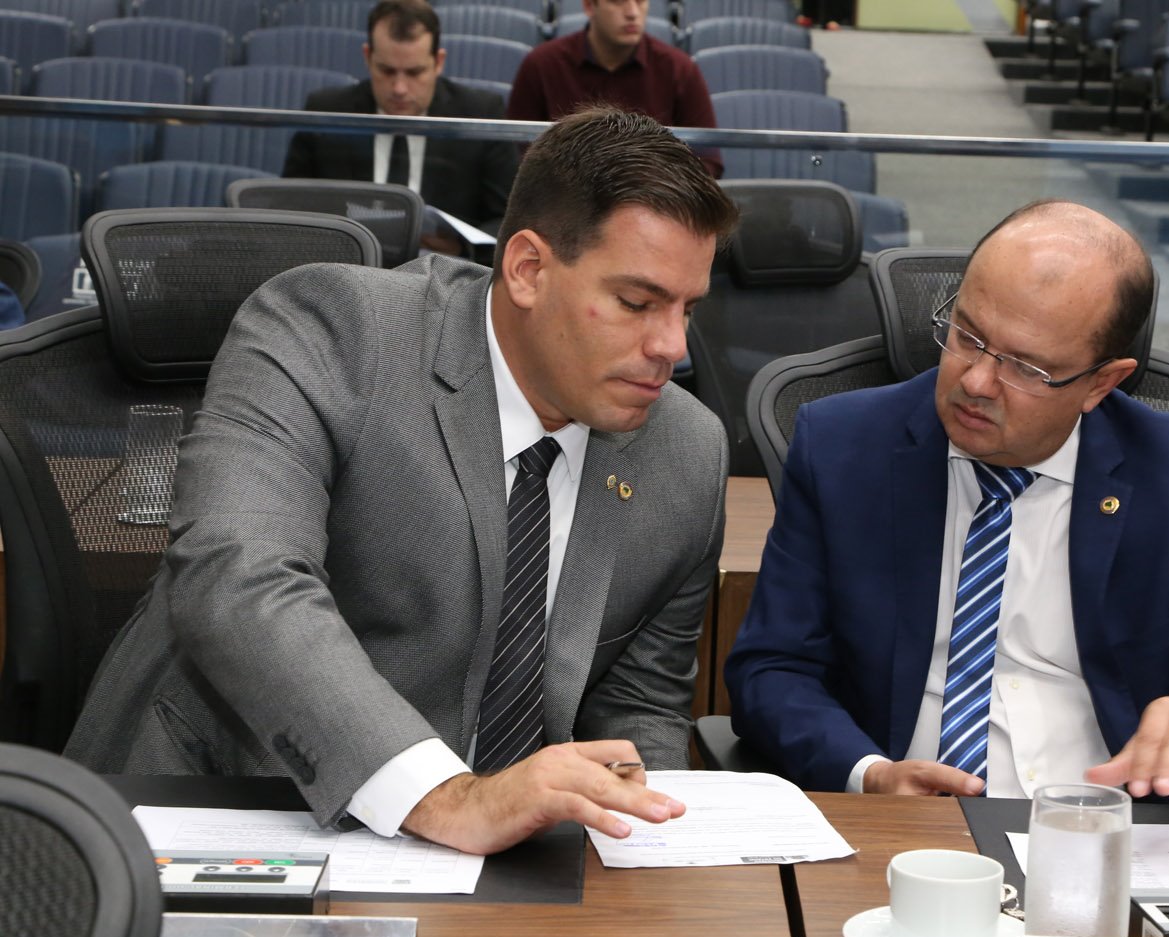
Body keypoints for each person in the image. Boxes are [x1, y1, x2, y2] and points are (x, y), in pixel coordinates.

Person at [67, 107, 739, 856]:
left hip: (499, 860)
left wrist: (644, 840)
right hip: (224, 807)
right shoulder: (334, 330)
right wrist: (447, 798)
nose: (672, 347)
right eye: (637, 303)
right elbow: (241, 577)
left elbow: (639, 705)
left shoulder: (686, 450)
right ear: (528, 270)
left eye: (687, 309)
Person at [723, 200, 1169, 806]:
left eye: (1026, 368)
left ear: (1102, 382)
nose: (976, 381)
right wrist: (869, 773)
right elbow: (772, 669)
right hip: (908, 822)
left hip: (1102, 821)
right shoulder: (842, 446)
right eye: (967, 335)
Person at [282, 0, 518, 248]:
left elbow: (509, 218)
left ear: (438, 62)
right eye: (386, 71)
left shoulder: (478, 115)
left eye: (415, 73)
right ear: (367, 57)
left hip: (444, 266)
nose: (399, 89)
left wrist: (462, 248)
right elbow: (290, 205)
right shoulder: (328, 112)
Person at [505, 0, 723, 177]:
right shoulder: (541, 64)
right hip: (566, 203)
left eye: (640, 1)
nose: (632, 13)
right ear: (589, 6)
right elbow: (516, 155)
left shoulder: (680, 69)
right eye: (617, 2)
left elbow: (708, 161)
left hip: (653, 203)